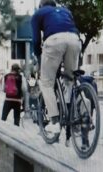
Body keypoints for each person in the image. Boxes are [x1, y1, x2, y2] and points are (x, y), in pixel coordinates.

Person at [31, 0, 81, 133]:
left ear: (41, 5)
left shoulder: (38, 13)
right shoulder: (66, 11)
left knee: (46, 83)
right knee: (69, 79)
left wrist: (38, 56)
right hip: (74, 40)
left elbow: (36, 40)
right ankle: (72, 113)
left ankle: (55, 122)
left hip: (54, 42)